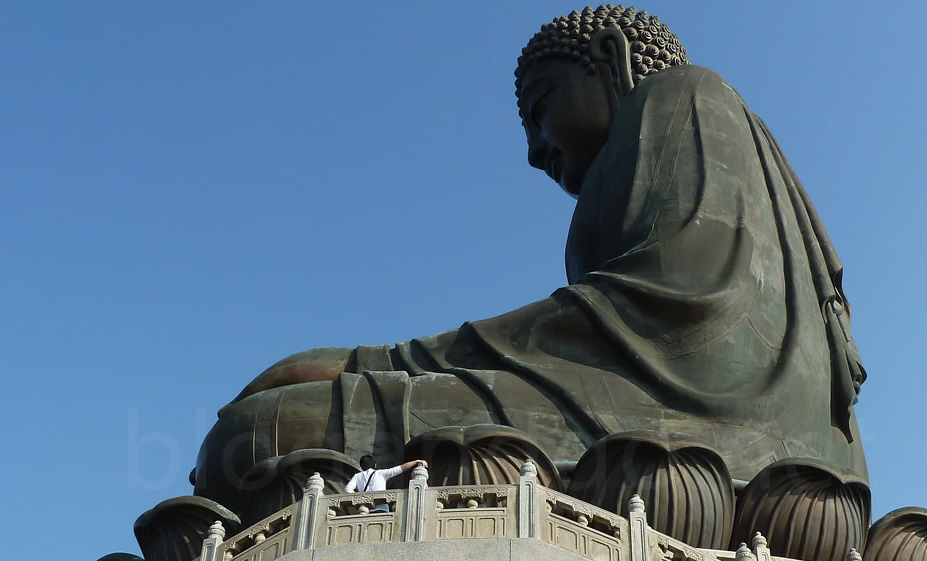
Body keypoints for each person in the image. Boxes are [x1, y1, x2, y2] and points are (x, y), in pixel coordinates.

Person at [191, 6, 868, 517]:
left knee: (257, 436)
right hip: (711, 442)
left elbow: (674, 309)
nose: (534, 151)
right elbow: (618, 327)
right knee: (265, 432)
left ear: (610, 57)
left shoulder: (684, 95)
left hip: (700, 432)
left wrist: (384, 361)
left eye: (541, 109)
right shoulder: (682, 125)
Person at [342, 455, 427, 512]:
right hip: (381, 510)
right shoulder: (381, 473)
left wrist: (360, 500)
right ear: (375, 465)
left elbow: (347, 490)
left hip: (366, 511)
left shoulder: (357, 476)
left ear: (362, 467)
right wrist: (416, 461)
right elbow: (399, 469)